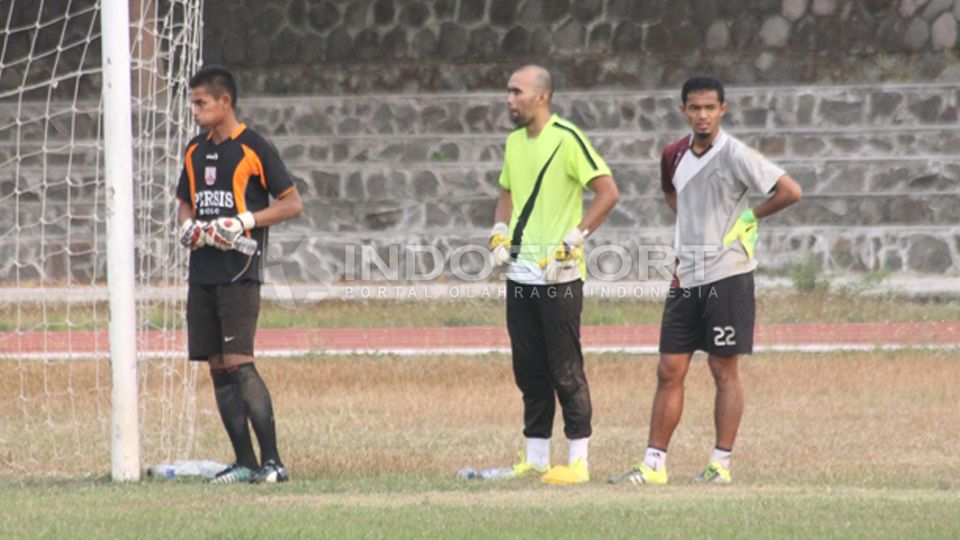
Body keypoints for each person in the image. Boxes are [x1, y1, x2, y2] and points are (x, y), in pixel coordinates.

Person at [610, 76, 802, 485]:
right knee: (669, 369)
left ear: (723, 110)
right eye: (695, 107)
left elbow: (790, 191)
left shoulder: (736, 154)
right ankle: (654, 464)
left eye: (710, 108)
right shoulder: (673, 154)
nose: (702, 115)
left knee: (722, 368)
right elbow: (671, 194)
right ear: (683, 110)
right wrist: (694, 228)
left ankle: (720, 463)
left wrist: (750, 217)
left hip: (729, 275)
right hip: (685, 275)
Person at [487, 65, 620, 485]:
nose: (509, 99)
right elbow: (507, 191)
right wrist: (498, 232)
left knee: (565, 367)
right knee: (528, 367)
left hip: (558, 277)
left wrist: (573, 240)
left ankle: (578, 460)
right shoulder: (512, 143)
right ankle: (537, 457)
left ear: (541, 96)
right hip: (520, 276)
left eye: (516, 91)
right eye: (509, 92)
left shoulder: (566, 138)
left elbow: (608, 192)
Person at [175, 65, 303, 484]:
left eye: (201, 103)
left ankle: (273, 462)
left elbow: (291, 203)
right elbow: (186, 201)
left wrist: (244, 220)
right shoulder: (195, 151)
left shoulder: (253, 147)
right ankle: (244, 462)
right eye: (193, 103)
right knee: (216, 366)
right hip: (203, 273)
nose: (195, 110)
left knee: (239, 363)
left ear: (224, 102)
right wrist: (188, 226)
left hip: (240, 273)